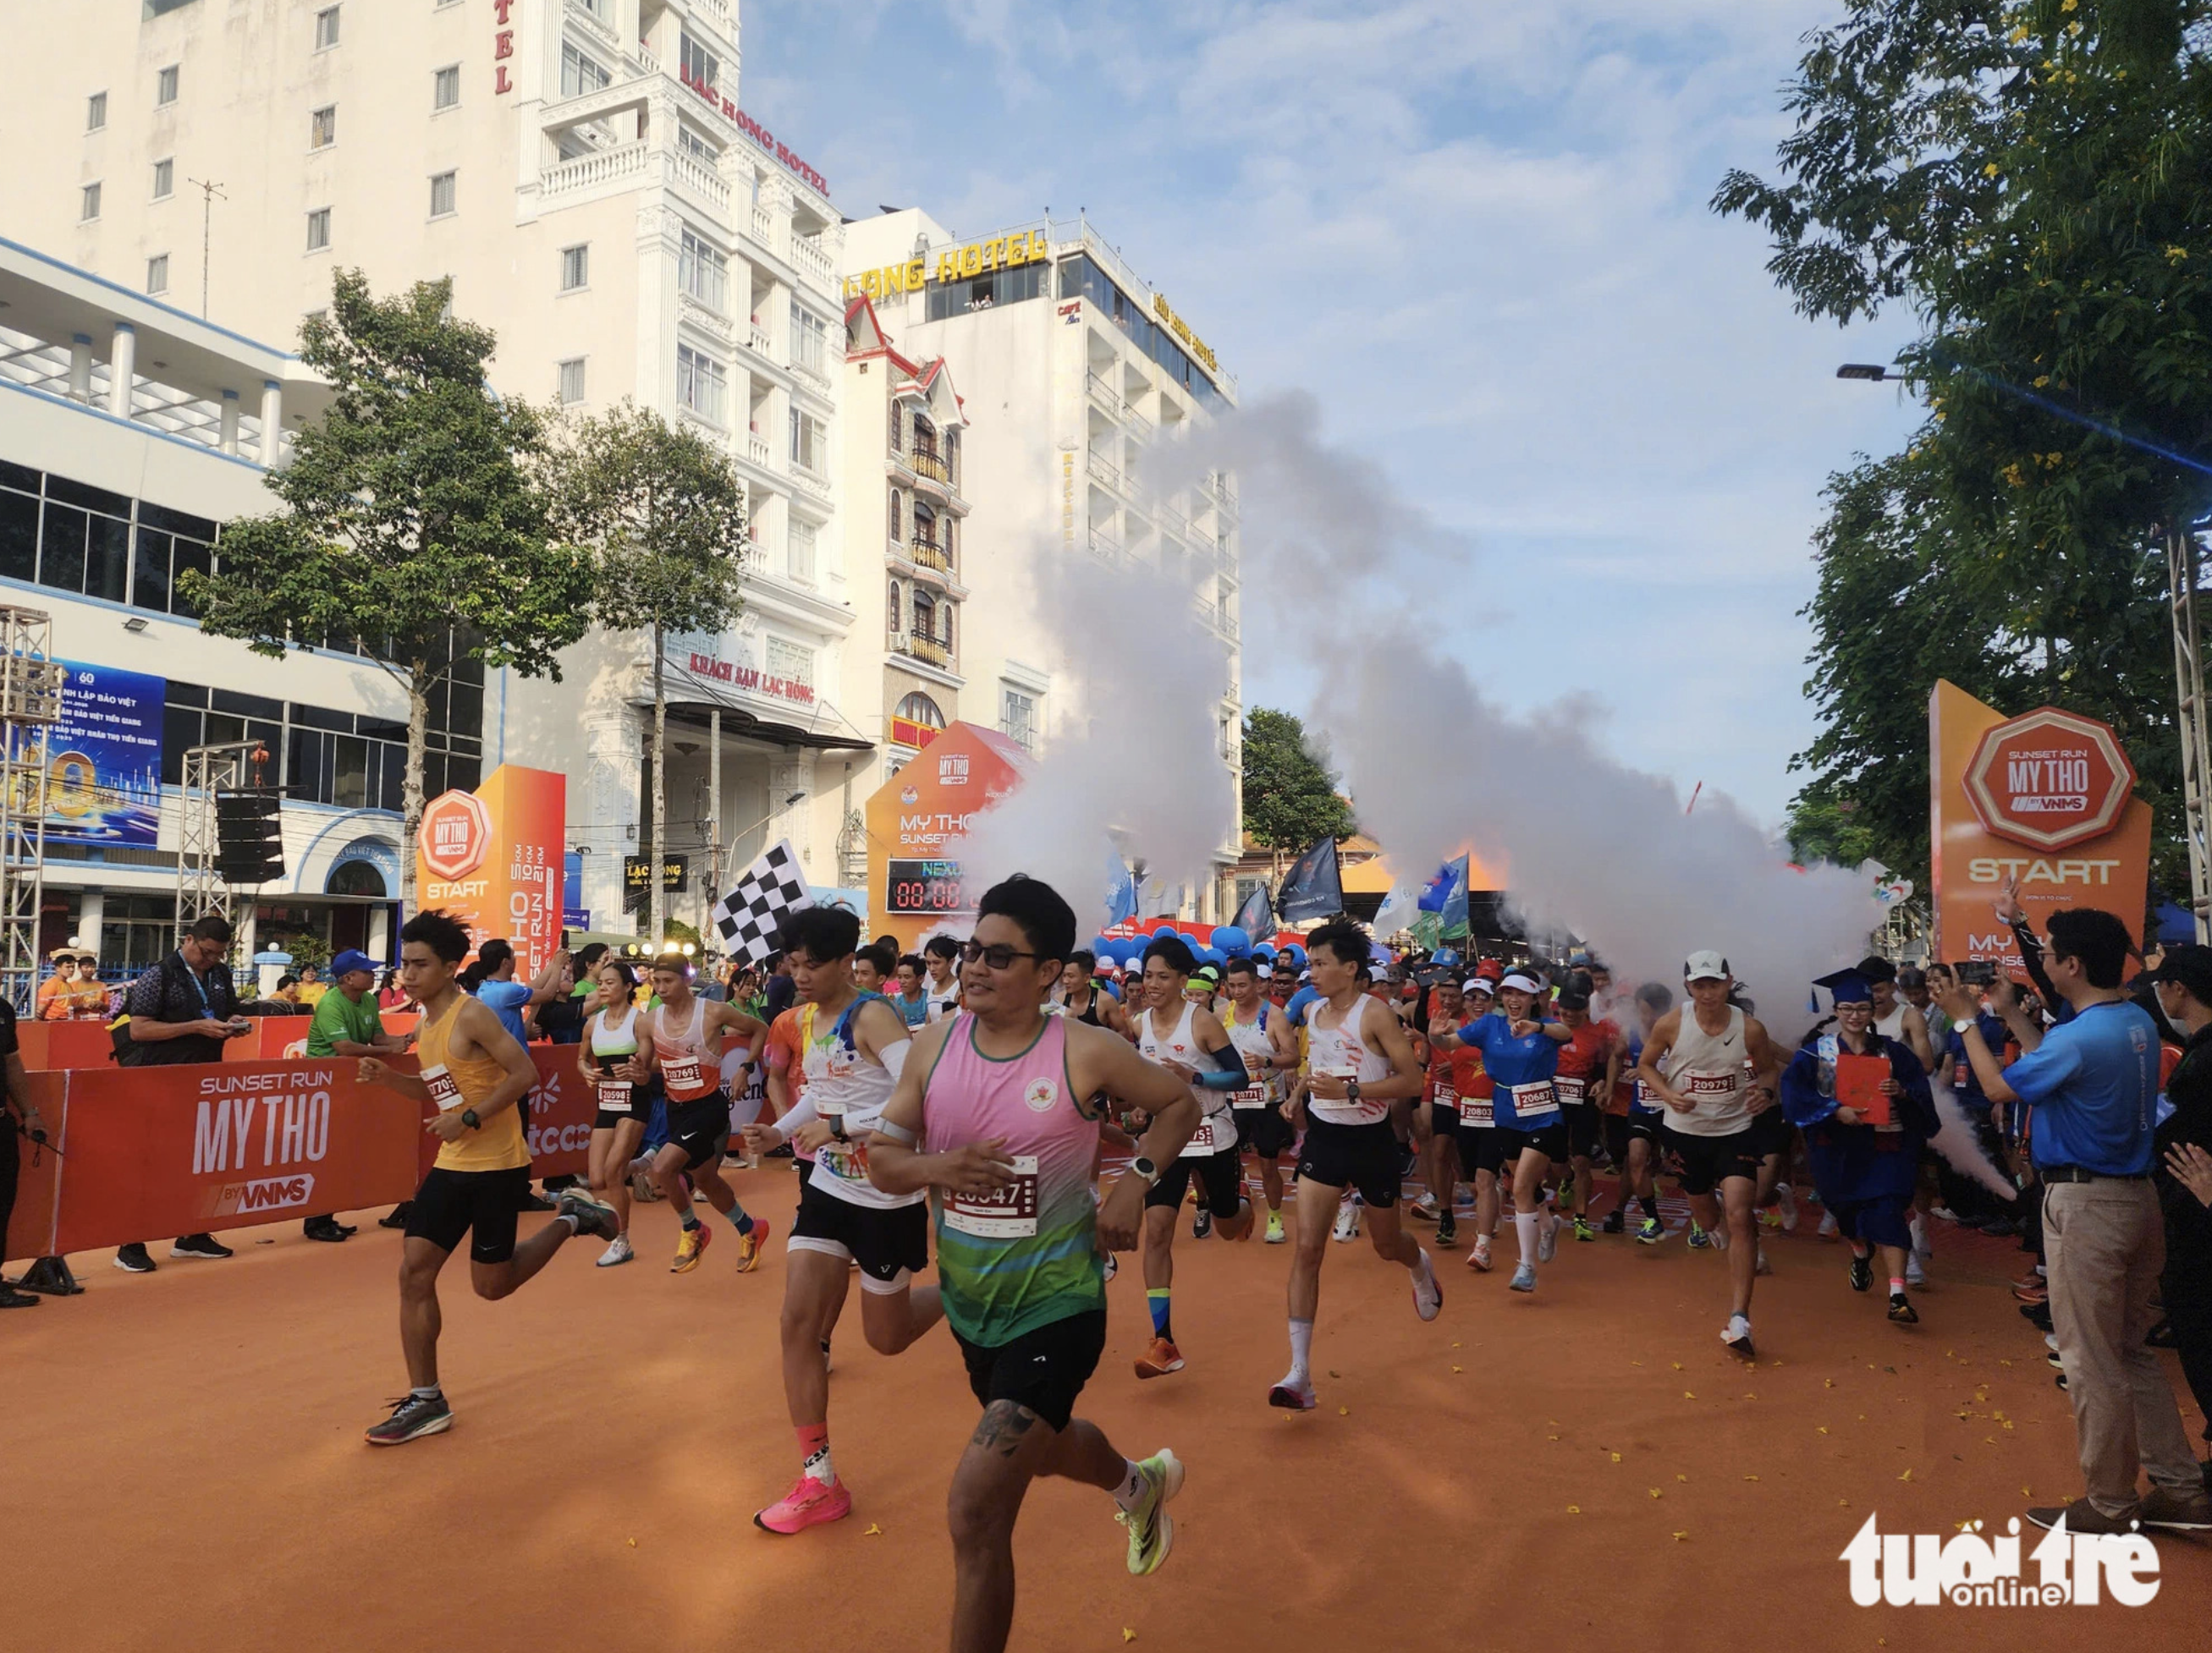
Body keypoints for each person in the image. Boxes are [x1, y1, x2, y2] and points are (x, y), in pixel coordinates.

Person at [864, 876, 1202, 1650]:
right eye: (973, 951)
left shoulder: (1085, 1049)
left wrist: (1134, 1186)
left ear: (1048, 971)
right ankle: (1137, 1484)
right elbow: (883, 1159)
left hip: (1060, 1303)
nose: (974, 967)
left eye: (999, 956)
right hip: (973, 1305)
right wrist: (937, 1169)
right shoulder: (934, 1043)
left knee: (976, 1508)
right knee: (1045, 1447)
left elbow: (1181, 1105)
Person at [1940, 909, 2212, 1534]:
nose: (2047, 963)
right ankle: (2178, 1487)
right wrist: (2009, 1016)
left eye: (2053, 953)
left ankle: (2111, 1503)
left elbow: (2001, 1088)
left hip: (2089, 1207)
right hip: (2136, 1202)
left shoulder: (2085, 1035)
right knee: (2130, 1352)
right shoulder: (2132, 1021)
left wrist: (1965, 1019)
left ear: (2072, 965)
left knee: (2091, 1362)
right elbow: (2064, 1065)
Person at [356, 910, 619, 1445]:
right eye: (404, 964)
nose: (407, 974)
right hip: (454, 1165)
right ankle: (426, 1400)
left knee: (491, 1287)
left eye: (419, 965)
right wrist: (389, 1079)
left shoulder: (471, 1016)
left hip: (498, 1166)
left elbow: (525, 1074)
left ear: (451, 968)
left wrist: (470, 1119)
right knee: (414, 1272)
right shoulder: (426, 1023)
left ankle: (572, 1217)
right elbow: (442, 1095)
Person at [738, 906, 939, 1535]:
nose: (799, 974)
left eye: (812, 963)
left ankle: (968, 1290)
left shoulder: (874, 1016)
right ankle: (818, 1479)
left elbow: (922, 1099)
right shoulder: (803, 1019)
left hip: (887, 1196)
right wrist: (782, 1128)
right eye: (791, 963)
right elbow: (821, 1095)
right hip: (829, 1186)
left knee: (887, 1337)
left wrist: (843, 1129)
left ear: (845, 962)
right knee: (798, 1324)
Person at [1273, 919, 1441, 1411]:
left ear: (1350, 968)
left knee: (1387, 1245)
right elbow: (1316, 1066)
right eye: (1311, 962)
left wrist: (1352, 1091)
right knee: (1307, 1250)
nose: (1313, 971)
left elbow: (1411, 1082)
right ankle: (1299, 1373)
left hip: (1372, 1141)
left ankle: (1420, 1266)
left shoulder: (1377, 1015)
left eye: (1321, 962)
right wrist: (1299, 1095)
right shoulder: (1315, 1012)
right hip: (1324, 1140)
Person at [1635, 952, 1786, 1358]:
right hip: (1685, 1135)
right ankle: (1719, 1233)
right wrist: (1667, 1093)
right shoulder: (1672, 1024)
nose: (1708, 993)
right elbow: (1646, 1064)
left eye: (1714, 984)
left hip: (1735, 1132)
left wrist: (1765, 1093)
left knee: (1741, 1213)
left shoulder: (1749, 1028)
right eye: (1699, 985)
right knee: (1706, 1213)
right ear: (1688, 986)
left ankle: (1739, 1318)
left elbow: (1769, 1069)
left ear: (1728, 982)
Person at [1128, 935, 1256, 1379]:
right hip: (1167, 1138)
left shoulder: (1201, 1022)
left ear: (1184, 980)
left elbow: (1238, 1077)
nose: (1153, 984)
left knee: (1227, 1227)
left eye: (1164, 976)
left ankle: (1241, 1206)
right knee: (1158, 1230)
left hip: (1213, 1133)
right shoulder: (1140, 1023)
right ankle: (1163, 1340)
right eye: (1148, 975)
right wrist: (1142, 1102)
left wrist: (1195, 1074)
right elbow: (1141, 1076)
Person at [1780, 969, 1936, 1325]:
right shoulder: (1814, 1053)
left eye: (1862, 1008)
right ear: (1836, 1010)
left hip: (1885, 1145)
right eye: (1847, 1008)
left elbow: (1920, 1093)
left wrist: (1902, 1093)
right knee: (1846, 1213)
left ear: (1871, 1010)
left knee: (1888, 1211)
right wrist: (1834, 1110)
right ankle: (1860, 1250)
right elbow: (1794, 1095)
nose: (1855, 1015)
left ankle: (1898, 1295)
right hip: (1836, 1151)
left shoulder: (1893, 1053)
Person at [113, 914, 256, 1271]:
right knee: (150, 1163)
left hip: (204, 1082)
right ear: (189, 940)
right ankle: (130, 1243)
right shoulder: (158, 975)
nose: (211, 961)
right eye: (206, 953)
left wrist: (234, 1024)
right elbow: (139, 1031)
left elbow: (226, 1011)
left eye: (218, 955)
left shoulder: (220, 975)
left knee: (199, 1161)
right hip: (157, 1081)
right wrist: (195, 1026)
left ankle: (192, 1235)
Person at [1441, 969, 1574, 1293]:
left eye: (1522, 995)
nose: (1514, 1000)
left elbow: (1566, 1031)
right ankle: (1547, 1226)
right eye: (1509, 994)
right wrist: (1434, 1036)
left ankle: (1526, 1267)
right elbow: (1449, 1042)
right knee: (1523, 1186)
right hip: (1506, 1114)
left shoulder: (1544, 1028)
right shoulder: (1490, 1025)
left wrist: (1537, 1026)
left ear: (1533, 998)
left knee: (1522, 1186)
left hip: (1544, 1115)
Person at [646, 953, 768, 1274]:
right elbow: (646, 1066)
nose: (661, 988)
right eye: (656, 981)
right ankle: (749, 1229)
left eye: (668, 981)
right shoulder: (649, 1020)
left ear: (687, 980)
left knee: (662, 1169)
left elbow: (760, 1029)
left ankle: (692, 1229)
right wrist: (636, 1071)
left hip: (709, 1106)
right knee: (706, 1179)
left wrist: (745, 1067)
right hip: (677, 1108)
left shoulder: (714, 1012)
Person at [2149, 945, 2212, 1487]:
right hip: (2190, 1210)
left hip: (2201, 1219)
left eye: (2159, 985)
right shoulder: (2198, 1050)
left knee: (2200, 1326)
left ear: (2178, 990)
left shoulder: (2205, 1057)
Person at [300, 948, 405, 1243]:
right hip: (326, 1085)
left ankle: (328, 1216)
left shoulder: (369, 999)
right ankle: (317, 1221)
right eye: (367, 971)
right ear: (348, 977)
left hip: (355, 1082)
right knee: (328, 1152)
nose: (373, 975)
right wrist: (388, 1050)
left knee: (347, 1149)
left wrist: (403, 1040)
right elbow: (344, 1047)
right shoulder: (329, 1004)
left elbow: (378, 1037)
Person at [579, 959, 652, 1266]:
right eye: (601, 983)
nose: (604, 988)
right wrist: (586, 1072)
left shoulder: (640, 1022)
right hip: (607, 1102)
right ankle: (640, 1165)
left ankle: (621, 1241)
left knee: (611, 1172)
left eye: (610, 983)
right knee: (597, 1179)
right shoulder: (592, 1023)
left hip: (635, 1101)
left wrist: (637, 1071)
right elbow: (580, 1060)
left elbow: (648, 1071)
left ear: (627, 987)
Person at [1219, 956, 1296, 1244]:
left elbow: (1293, 1056)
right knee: (1229, 1158)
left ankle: (1275, 1217)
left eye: (1243, 986)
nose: (1237, 992)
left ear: (1257, 984)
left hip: (1268, 1099)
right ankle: (1237, 1207)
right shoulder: (1221, 1014)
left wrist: (1267, 1060)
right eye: (1232, 986)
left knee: (1268, 1163)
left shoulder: (1273, 1016)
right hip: (1234, 1097)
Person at [1552, 982, 1620, 1244]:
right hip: (1553, 1100)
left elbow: (1605, 1065)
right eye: (1565, 1010)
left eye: (1576, 1010)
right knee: (1556, 1161)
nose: (1569, 1015)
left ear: (1585, 1010)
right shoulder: (1549, 1029)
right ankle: (1565, 1179)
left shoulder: (1597, 1034)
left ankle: (1581, 1217)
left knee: (1582, 1159)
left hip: (1583, 1101)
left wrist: (1603, 1083)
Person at [0, 987, 47, 1309]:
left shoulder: (4, 1010)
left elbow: (12, 1061)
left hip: (1, 1121)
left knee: (2, 1204)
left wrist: (29, 1112)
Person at [1410, 976, 1465, 1241]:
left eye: (1453, 996)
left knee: (1465, 1158)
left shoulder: (1474, 1021)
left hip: (1472, 1094)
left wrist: (1457, 1066)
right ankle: (1445, 1214)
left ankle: (1487, 1191)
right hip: (1441, 1091)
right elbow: (1428, 1046)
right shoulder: (1436, 1016)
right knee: (1438, 1146)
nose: (1447, 1001)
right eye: (1443, 995)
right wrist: (1421, 1071)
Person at [922, 933, 963, 1022]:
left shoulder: (959, 989)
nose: (931, 968)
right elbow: (928, 1022)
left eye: (937, 963)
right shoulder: (932, 987)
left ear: (951, 962)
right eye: (928, 963)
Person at [893, 953, 934, 1029]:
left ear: (920, 979)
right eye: (899, 977)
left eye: (907, 977)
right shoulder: (895, 1004)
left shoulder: (930, 1000)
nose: (902, 981)